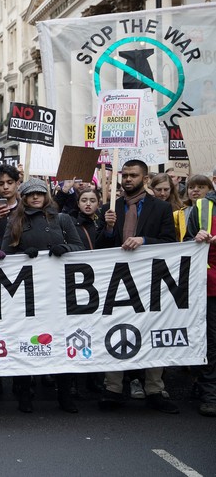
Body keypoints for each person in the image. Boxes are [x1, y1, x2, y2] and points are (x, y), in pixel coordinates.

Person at [95, 159, 178, 414]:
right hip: (117, 281)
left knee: (153, 329)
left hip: (150, 280)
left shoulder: (161, 208)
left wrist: (143, 240)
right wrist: (108, 229)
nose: (127, 179)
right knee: (115, 329)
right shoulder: (111, 207)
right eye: (125, 175)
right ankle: (113, 388)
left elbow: (170, 242)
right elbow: (99, 247)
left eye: (133, 175)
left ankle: (154, 388)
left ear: (144, 179)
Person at [1, 178, 84, 414]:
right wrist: (21, 254)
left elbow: (81, 248)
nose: (36, 197)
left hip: (59, 292)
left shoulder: (62, 219)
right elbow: (5, 253)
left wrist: (65, 249)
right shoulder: (15, 221)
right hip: (28, 294)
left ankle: (65, 396)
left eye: (40, 193)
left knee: (60, 341)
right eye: (30, 194)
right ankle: (24, 395)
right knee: (26, 342)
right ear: (24, 198)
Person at [184, 184, 216, 417]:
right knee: (212, 343)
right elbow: (185, 245)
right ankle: (210, 395)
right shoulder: (203, 206)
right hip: (210, 287)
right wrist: (195, 238)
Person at [175, 175, 215, 241]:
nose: (195, 190)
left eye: (201, 187)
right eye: (191, 187)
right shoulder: (177, 214)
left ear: (210, 190)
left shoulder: (214, 210)